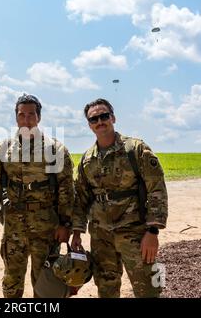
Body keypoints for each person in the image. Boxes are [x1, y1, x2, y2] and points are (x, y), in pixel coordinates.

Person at [71, 98, 168, 298]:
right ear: (89, 125)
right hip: (101, 237)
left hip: (135, 234)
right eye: (94, 119)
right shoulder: (87, 160)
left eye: (104, 116)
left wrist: (153, 231)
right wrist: (77, 232)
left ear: (113, 118)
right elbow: (80, 198)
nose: (100, 121)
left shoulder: (136, 149)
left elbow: (156, 189)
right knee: (106, 290)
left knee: (148, 289)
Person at [0, 93, 75, 298]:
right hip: (14, 225)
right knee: (11, 279)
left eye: (31, 115)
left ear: (39, 117)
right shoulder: (2, 149)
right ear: (16, 117)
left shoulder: (56, 150)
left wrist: (66, 224)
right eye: (21, 115)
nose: (26, 120)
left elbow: (66, 190)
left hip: (46, 227)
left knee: (45, 281)